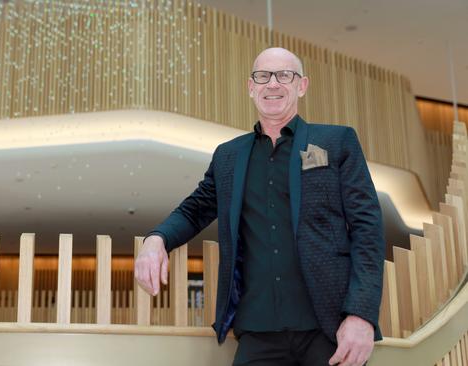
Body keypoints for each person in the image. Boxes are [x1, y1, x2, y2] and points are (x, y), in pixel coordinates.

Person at [134, 47, 385, 366]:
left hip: (330, 329)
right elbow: (194, 210)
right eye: (263, 76)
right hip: (256, 330)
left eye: (284, 75)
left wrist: (361, 314)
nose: (273, 84)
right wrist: (156, 240)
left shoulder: (337, 142)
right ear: (251, 87)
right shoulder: (228, 156)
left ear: (302, 85)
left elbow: (368, 230)